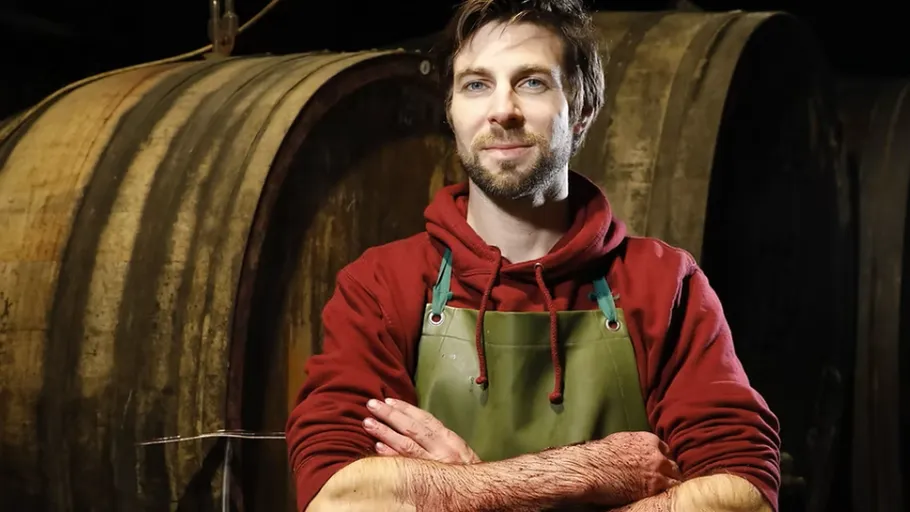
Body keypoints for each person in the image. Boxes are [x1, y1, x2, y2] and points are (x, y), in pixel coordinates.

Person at [285, 0, 781, 510]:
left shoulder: (662, 283)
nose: (502, 110)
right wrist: (584, 473)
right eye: (477, 84)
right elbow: (335, 497)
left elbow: (743, 495)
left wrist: (455, 490)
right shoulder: (382, 285)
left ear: (583, 111)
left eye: (532, 82)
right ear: (451, 113)